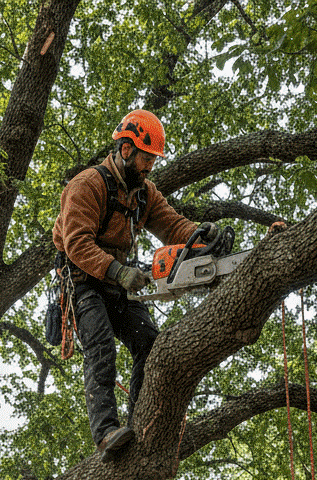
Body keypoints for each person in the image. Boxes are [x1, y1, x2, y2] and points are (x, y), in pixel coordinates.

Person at [52, 109, 218, 461]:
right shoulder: (86, 185)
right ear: (126, 150)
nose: (150, 167)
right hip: (84, 281)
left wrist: (201, 237)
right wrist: (118, 272)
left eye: (154, 161)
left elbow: (172, 226)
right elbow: (77, 244)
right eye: (147, 158)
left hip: (119, 281)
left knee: (151, 342)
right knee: (101, 350)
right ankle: (106, 432)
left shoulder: (145, 193)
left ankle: (140, 423)